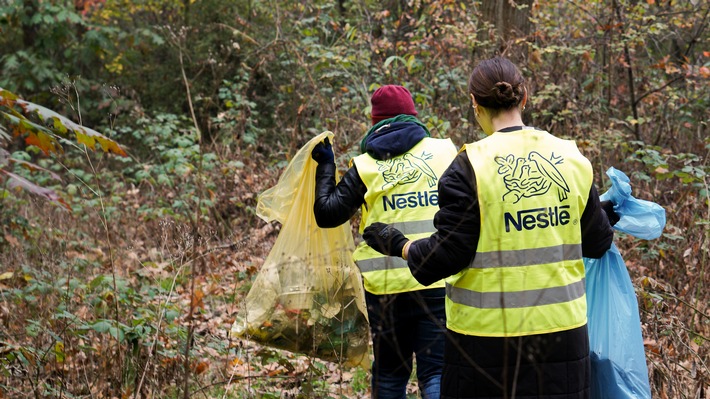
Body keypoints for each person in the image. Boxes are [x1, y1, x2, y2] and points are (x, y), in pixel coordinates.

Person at [362, 57, 617, 399]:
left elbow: (444, 257)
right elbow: (597, 241)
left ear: (475, 105)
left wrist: (398, 243)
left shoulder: (469, 167)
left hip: (483, 347)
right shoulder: (571, 159)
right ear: (524, 98)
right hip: (563, 339)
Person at [311, 85, 458, 399]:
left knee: (390, 376)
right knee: (436, 373)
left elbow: (327, 213)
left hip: (386, 290)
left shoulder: (365, 165)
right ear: (413, 116)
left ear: (375, 121)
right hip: (436, 280)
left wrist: (326, 166)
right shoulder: (446, 152)